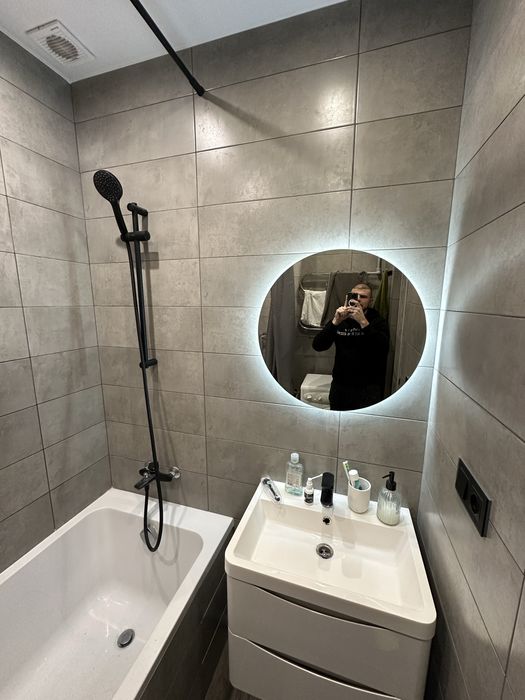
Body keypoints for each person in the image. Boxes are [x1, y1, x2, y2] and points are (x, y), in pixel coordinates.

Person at [312, 283, 389, 410]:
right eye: (354, 296)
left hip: (368, 388)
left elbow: (382, 348)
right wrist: (335, 322)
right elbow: (318, 346)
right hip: (340, 386)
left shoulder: (377, 320)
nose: (358, 299)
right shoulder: (340, 319)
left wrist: (363, 322)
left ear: (371, 300)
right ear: (347, 298)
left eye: (363, 297)